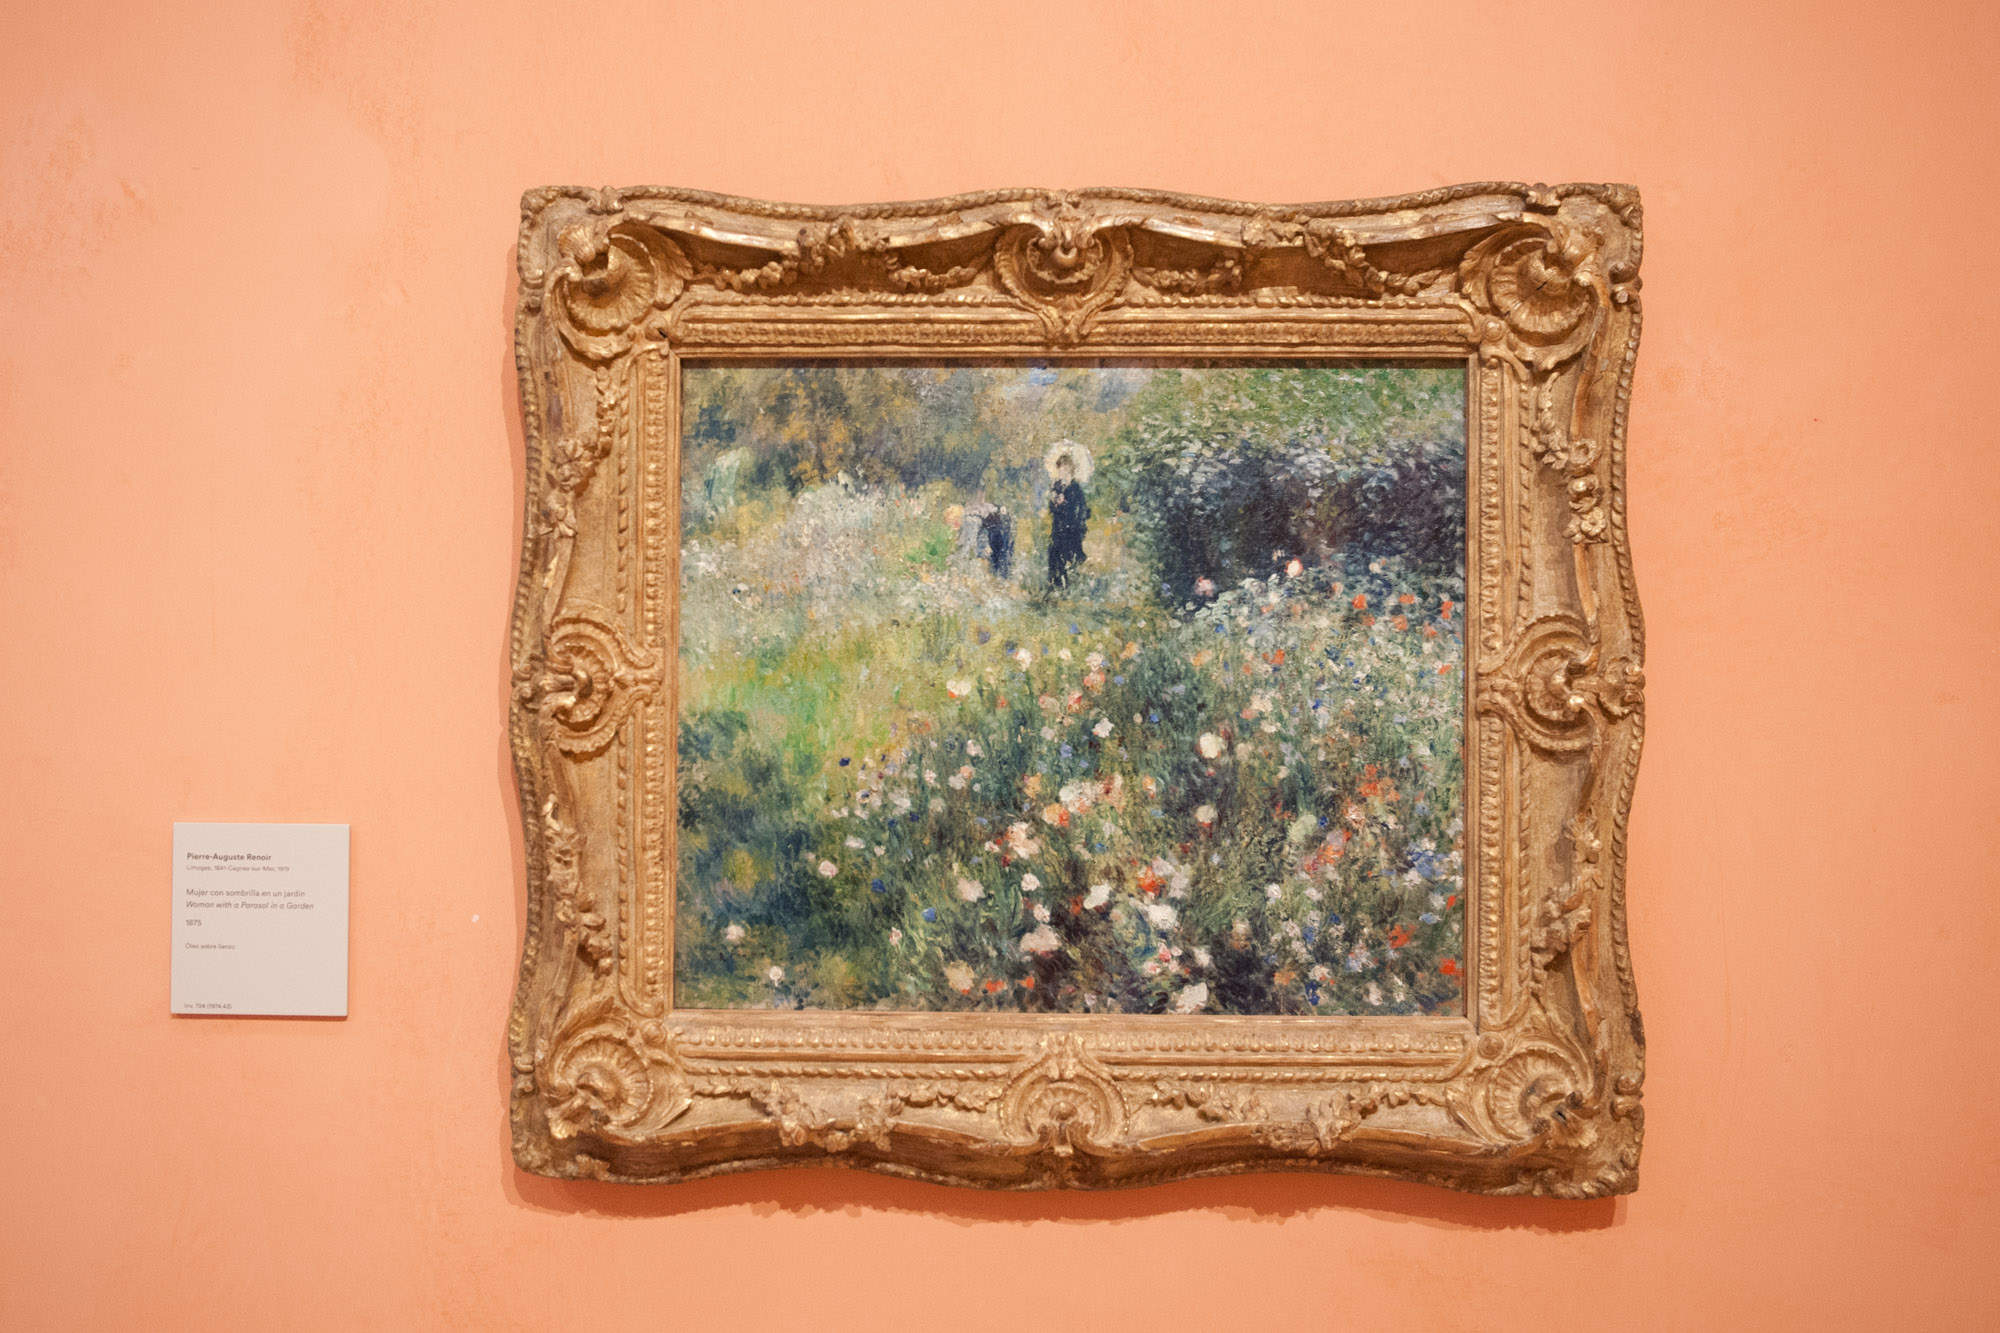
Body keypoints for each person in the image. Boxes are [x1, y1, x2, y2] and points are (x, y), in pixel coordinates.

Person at [1045, 440, 1091, 590]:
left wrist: (1064, 504)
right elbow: (1052, 510)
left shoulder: (1075, 489)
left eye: (1065, 469)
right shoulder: (1057, 487)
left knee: (1067, 556)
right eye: (1060, 469)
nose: (1062, 472)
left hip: (1071, 529)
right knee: (1053, 554)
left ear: (1071, 470)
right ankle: (1055, 584)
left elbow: (1080, 512)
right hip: (1058, 528)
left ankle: (1068, 586)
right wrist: (1054, 502)